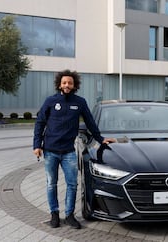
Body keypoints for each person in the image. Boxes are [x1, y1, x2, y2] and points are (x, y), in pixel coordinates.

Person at [33, 69, 115, 229]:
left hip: (69, 152)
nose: (67, 85)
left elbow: (90, 123)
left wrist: (101, 139)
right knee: (51, 184)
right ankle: (54, 215)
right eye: (64, 82)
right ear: (59, 84)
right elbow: (40, 123)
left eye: (70, 83)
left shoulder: (80, 102)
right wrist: (37, 145)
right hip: (50, 151)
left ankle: (69, 215)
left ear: (74, 85)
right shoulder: (50, 101)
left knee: (72, 184)